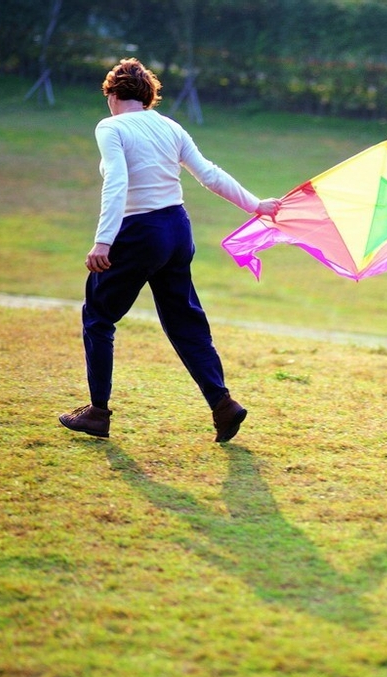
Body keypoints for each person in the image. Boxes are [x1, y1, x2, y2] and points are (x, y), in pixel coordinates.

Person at [59, 58, 280, 442]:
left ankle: (97, 412)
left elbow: (117, 180)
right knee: (184, 320)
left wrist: (104, 240)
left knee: (98, 316)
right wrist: (256, 204)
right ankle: (223, 405)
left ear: (111, 94)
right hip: (177, 229)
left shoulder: (111, 127)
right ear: (148, 97)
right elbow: (209, 174)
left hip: (140, 231)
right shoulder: (170, 126)